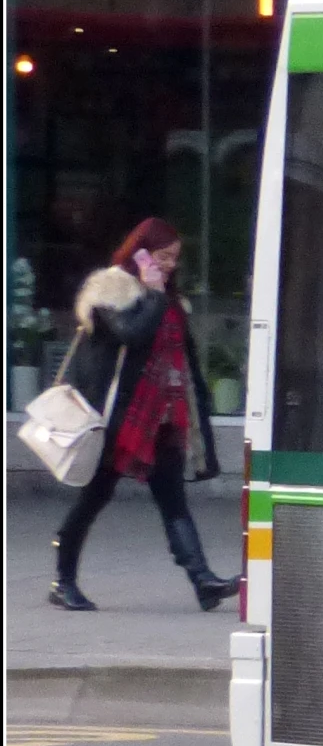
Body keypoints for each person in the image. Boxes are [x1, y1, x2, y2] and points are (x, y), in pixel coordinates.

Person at [47, 219, 243, 612]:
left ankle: (202, 579)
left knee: (173, 499)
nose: (169, 265)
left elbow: (182, 358)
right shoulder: (111, 291)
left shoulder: (170, 299)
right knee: (94, 497)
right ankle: (62, 581)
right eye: (162, 256)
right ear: (141, 253)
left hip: (163, 417)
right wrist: (152, 296)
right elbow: (131, 334)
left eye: (174, 258)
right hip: (119, 419)